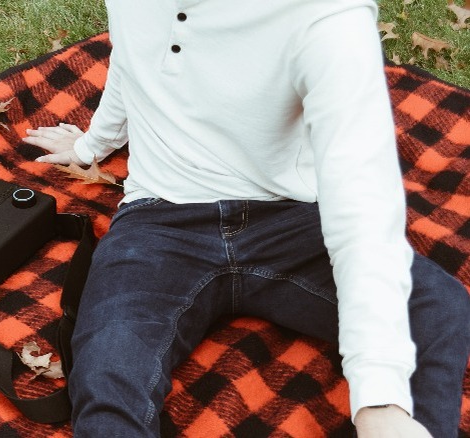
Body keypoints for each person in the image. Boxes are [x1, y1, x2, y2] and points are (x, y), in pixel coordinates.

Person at [23, 0, 470, 436]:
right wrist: (90, 146)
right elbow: (133, 55)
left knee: (436, 310)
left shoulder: (328, 14)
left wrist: (379, 403)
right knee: (107, 369)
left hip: (290, 216)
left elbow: (362, 202)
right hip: (158, 219)